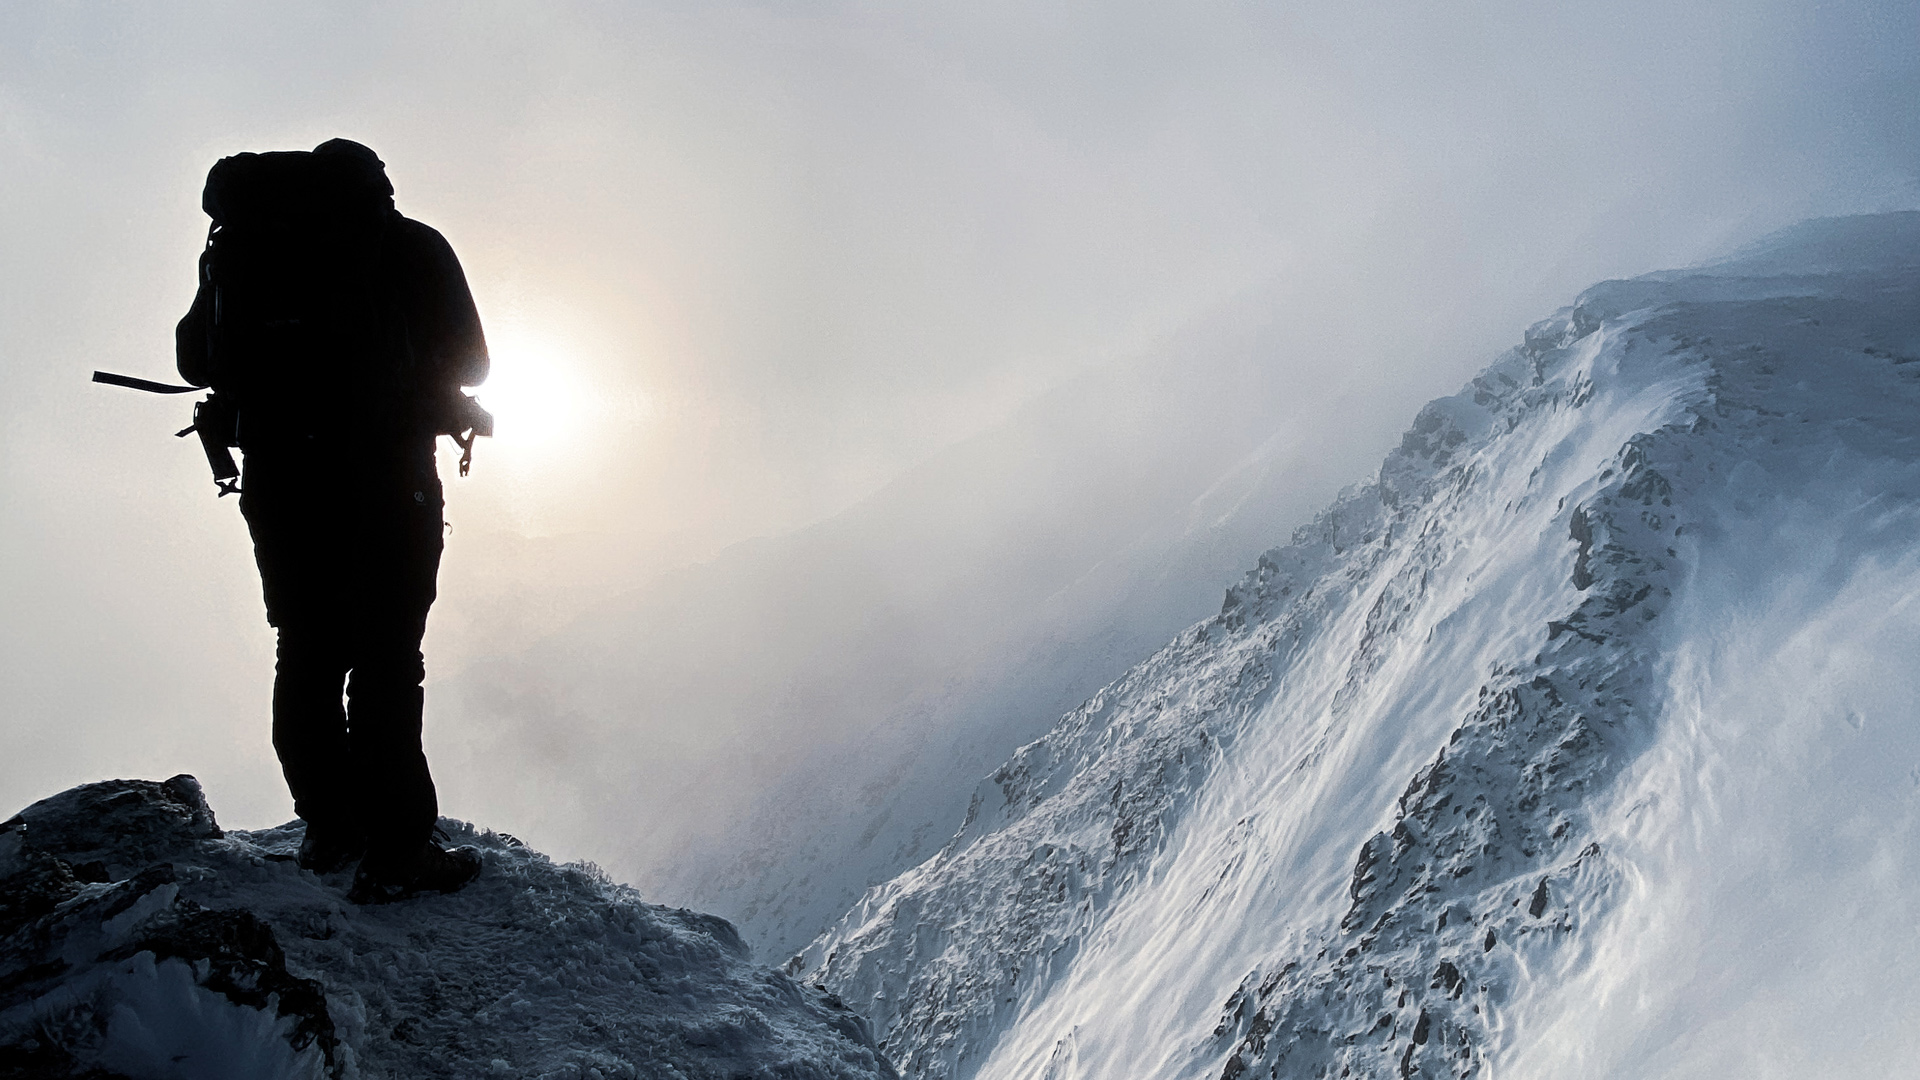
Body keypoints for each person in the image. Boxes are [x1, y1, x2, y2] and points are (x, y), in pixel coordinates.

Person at [175, 138, 486, 902]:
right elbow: (472, 359)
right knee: (387, 660)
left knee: (307, 650)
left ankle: (331, 825)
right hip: (386, 480)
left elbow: (193, 358)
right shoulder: (409, 246)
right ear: (377, 185)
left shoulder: (241, 251)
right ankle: (400, 850)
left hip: (282, 484)